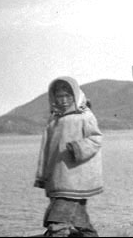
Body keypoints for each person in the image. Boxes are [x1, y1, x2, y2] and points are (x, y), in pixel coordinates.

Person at [34, 77, 103, 237]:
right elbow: (47, 151)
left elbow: (96, 139)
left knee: (57, 220)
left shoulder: (84, 116)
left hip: (75, 178)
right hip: (58, 178)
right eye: (59, 96)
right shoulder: (54, 120)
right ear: (53, 97)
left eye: (68, 96)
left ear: (76, 96)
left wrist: (78, 148)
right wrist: (44, 176)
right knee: (80, 221)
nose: (63, 100)